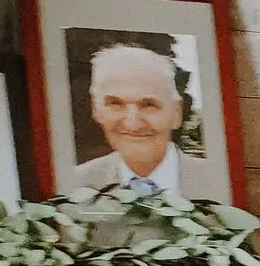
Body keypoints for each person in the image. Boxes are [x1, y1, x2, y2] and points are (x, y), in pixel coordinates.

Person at [69, 45, 187, 194]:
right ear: (95, 109)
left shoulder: (213, 177)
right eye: (115, 104)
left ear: (176, 113)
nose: (132, 124)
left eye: (149, 105)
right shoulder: (74, 184)